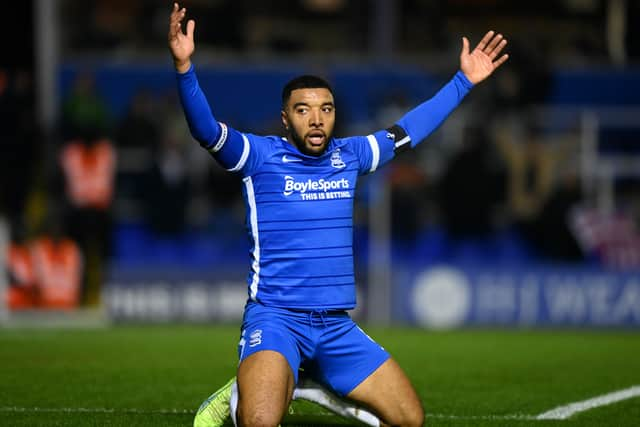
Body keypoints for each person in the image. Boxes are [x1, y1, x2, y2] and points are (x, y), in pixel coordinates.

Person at [168, 3, 508, 426]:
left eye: (325, 109)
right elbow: (204, 130)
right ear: (285, 118)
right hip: (276, 319)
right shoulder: (259, 156)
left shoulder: (350, 155)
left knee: (410, 420)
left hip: (334, 326)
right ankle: (250, 384)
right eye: (303, 109)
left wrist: (463, 81)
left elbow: (409, 129)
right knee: (259, 422)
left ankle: (308, 379)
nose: (316, 119)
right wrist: (184, 67)